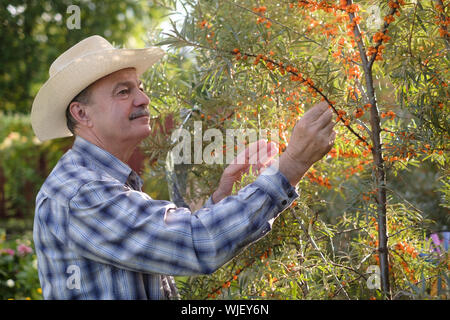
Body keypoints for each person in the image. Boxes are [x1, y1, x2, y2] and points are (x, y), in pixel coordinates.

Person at [31, 35, 336, 299]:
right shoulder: (82, 193)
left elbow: (166, 247)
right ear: (82, 113)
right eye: (124, 92)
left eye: (140, 87)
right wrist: (292, 164)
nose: (144, 99)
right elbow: (197, 244)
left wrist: (219, 198)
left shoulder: (100, 180)